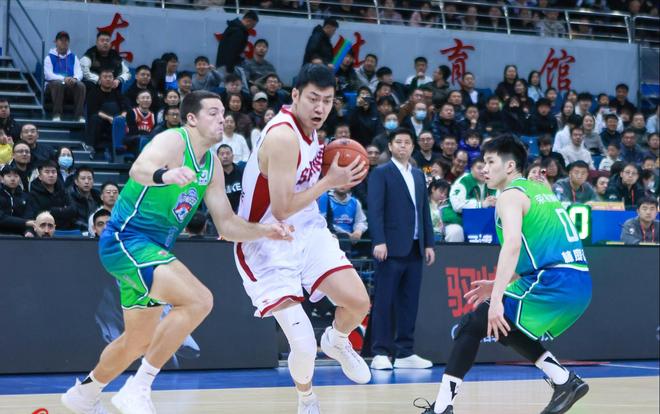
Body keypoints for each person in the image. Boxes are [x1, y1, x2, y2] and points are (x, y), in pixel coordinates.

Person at [61, 90, 292, 414]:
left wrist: (265, 231)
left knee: (137, 341)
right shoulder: (173, 140)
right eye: (213, 112)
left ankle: (84, 394)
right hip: (126, 240)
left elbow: (227, 225)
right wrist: (165, 175)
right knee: (199, 300)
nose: (222, 117)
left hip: (151, 250)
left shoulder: (212, 164)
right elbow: (139, 169)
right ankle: (138, 387)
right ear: (192, 119)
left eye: (223, 112)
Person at [418, 135, 592, 414]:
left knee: (475, 322)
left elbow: (512, 246)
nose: (484, 168)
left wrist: (496, 299)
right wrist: (499, 284)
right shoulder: (539, 190)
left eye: (490, 162)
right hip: (576, 281)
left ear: (510, 166)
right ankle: (563, 380)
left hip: (554, 281)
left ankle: (441, 409)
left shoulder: (510, 196)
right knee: (499, 326)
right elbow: (537, 250)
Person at [234, 64, 372, 413]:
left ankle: (337, 340)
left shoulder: (314, 134)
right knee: (304, 344)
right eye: (313, 98)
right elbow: (281, 209)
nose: (320, 107)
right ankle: (306, 398)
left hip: (307, 229)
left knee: (359, 303)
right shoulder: (283, 137)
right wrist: (329, 182)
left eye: (327, 100)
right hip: (265, 240)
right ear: (295, 95)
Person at [368, 127, 435, 370]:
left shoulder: (418, 175)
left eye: (407, 142)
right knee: (384, 301)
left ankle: (405, 352)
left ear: (413, 147)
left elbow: (424, 211)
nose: (403, 146)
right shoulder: (381, 172)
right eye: (398, 142)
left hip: (415, 247)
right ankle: (380, 352)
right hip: (389, 247)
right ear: (390, 146)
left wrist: (429, 243)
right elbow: (375, 210)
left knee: (409, 302)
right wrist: (379, 240)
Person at [441, 157, 497, 243]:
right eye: (479, 168)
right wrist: (481, 204)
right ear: (471, 169)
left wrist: (497, 202)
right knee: (455, 232)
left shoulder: (493, 182)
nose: (483, 171)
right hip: (457, 221)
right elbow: (457, 206)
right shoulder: (463, 181)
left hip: (483, 221)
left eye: (485, 168)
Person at [85, 69, 130, 158]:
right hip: (101, 122)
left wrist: (122, 116)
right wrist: (110, 118)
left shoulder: (117, 93)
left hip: (116, 122)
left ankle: (121, 149)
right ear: (100, 80)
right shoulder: (93, 93)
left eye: (110, 77)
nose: (108, 79)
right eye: (105, 77)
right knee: (95, 118)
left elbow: (125, 107)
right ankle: (90, 147)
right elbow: (94, 111)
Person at [44, 31, 86, 122]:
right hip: (52, 87)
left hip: (69, 86)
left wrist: (75, 79)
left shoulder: (73, 57)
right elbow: (48, 75)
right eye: (61, 40)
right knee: (58, 83)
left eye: (66, 40)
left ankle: (79, 116)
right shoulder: (49, 57)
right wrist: (63, 79)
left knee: (81, 85)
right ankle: (57, 114)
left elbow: (79, 72)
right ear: (55, 42)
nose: (64, 42)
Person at [26, 159, 76, 230]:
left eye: (53, 172)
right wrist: (62, 211)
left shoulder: (63, 191)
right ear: (40, 176)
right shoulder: (33, 194)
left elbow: (73, 210)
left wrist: (51, 211)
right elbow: (37, 215)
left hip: (65, 229)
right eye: (47, 172)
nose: (51, 175)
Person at [317, 186, 368, 253]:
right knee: (343, 237)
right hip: (330, 236)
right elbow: (323, 221)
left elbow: (360, 221)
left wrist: (358, 231)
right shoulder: (326, 199)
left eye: (345, 183)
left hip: (350, 240)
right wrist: (346, 234)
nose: (342, 185)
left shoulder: (355, 202)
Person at [0, 164, 34, 236]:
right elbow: (1, 218)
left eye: (16, 176)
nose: (13, 179)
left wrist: (29, 231)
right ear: (2, 179)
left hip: (20, 236)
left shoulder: (25, 196)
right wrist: (25, 222)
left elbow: (29, 217)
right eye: (9, 176)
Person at [67, 166, 101, 232]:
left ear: (93, 181)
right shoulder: (68, 196)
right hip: (76, 233)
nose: (87, 182)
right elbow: (71, 220)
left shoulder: (97, 196)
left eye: (89, 178)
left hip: (95, 231)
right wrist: (89, 227)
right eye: (83, 178)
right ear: (76, 182)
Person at [125, 90, 156, 157]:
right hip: (132, 139)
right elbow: (132, 132)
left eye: (148, 98)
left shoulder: (153, 115)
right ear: (137, 101)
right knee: (142, 139)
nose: (145, 100)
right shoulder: (132, 112)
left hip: (148, 141)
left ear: (151, 100)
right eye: (143, 98)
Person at [217, 144, 243, 212]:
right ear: (217, 157)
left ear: (233, 156)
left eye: (228, 153)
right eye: (222, 154)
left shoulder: (242, 171)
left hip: (241, 211)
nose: (225, 156)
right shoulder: (214, 175)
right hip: (221, 211)